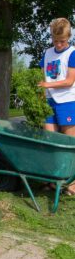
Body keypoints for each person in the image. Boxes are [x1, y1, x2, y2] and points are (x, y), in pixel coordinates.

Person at [38, 18, 75, 195]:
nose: (59, 44)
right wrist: (41, 92)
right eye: (55, 40)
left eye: (63, 41)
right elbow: (42, 75)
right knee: (50, 141)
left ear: (68, 37)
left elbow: (69, 81)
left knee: (70, 144)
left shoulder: (72, 53)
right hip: (49, 101)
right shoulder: (47, 53)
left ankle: (72, 182)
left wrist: (47, 85)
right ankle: (53, 179)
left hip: (68, 101)